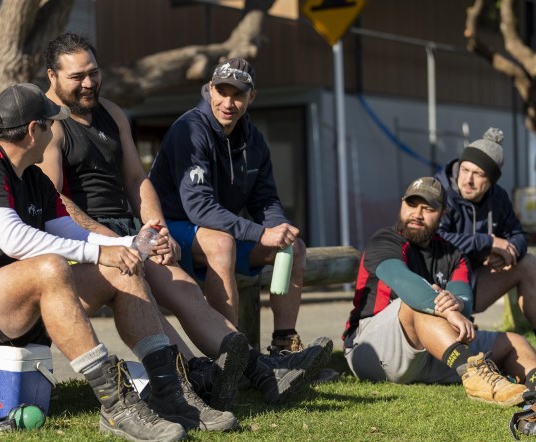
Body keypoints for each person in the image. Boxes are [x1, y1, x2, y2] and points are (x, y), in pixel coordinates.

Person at [0, 83, 238, 442]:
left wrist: (136, 244)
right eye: (50, 123)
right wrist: (100, 253)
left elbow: (79, 236)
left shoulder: (33, 177)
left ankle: (170, 392)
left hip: (11, 295)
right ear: (33, 130)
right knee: (51, 268)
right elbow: (15, 241)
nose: (55, 129)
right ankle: (116, 405)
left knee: (123, 267)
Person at [39, 33, 333, 408]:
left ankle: (248, 369)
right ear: (52, 75)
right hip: (86, 241)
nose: (89, 83)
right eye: (77, 76)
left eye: (94, 73)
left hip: (133, 230)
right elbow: (54, 199)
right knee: (141, 286)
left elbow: (136, 179)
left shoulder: (111, 113)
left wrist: (156, 229)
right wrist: (113, 242)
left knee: (185, 291)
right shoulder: (51, 125)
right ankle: (224, 372)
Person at [149, 56, 329, 360]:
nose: (228, 102)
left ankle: (284, 346)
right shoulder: (189, 129)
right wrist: (260, 232)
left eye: (238, 94)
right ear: (209, 89)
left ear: (252, 97)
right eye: (222, 91)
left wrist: (278, 229)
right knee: (222, 244)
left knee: (294, 248)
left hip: (219, 232)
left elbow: (265, 200)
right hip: (171, 230)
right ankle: (230, 355)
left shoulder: (254, 139)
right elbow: (198, 208)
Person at [344, 176, 536, 405]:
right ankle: (475, 375)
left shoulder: (452, 254)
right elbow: (406, 284)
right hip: (372, 348)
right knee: (414, 304)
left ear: (443, 214)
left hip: (430, 347)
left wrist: (455, 304)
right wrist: (446, 309)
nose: (417, 213)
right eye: (411, 205)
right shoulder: (385, 240)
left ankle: (532, 389)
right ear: (402, 204)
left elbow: (464, 300)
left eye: (428, 208)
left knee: (514, 342)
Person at [435, 128, 536, 331]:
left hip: (474, 281)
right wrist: (488, 242)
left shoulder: (498, 198)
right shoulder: (439, 192)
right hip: (438, 285)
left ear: (491, 180)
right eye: (465, 170)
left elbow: (518, 235)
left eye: (478, 174)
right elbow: (435, 240)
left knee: (527, 263)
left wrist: (508, 252)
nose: (468, 180)